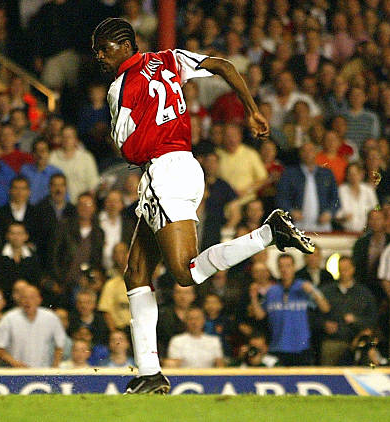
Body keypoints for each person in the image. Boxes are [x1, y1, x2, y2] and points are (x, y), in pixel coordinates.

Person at [92, 17, 314, 393]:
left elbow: (128, 148)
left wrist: (132, 140)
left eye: (104, 48)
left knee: (185, 273)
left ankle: (268, 233)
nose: (98, 55)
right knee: (135, 275)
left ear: (125, 45)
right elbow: (222, 65)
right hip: (187, 167)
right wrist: (252, 109)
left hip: (163, 174)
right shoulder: (167, 59)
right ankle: (149, 372)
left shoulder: (120, 87)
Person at [250, 254, 330, 366]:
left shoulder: (303, 287)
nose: (284, 270)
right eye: (281, 266)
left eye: (288, 266)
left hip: (301, 348)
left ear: (294, 267)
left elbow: (325, 308)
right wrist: (253, 298)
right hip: (277, 347)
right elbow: (260, 316)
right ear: (278, 269)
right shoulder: (272, 291)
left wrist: (312, 291)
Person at [0, 285, 66, 368]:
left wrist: (55, 367)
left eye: (32, 298)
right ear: (20, 300)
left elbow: (60, 344)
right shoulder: (9, 318)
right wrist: (14, 363)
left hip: (44, 373)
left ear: (39, 300)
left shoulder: (51, 317)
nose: (28, 301)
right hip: (16, 372)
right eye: (24, 298)